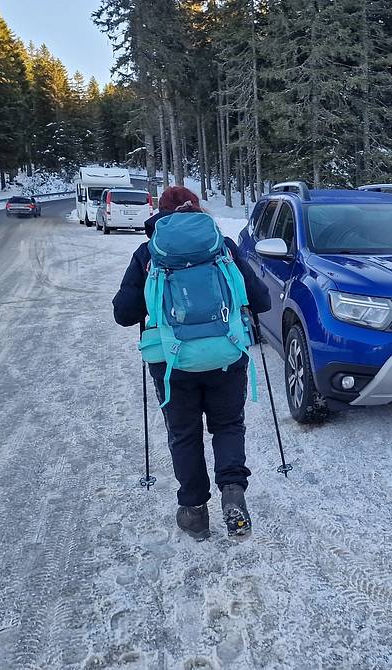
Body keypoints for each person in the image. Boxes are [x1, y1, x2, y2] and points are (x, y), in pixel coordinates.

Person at [112, 186, 271, 541]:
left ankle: (195, 512)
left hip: (172, 363)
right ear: (198, 211)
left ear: (160, 214)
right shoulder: (223, 247)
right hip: (226, 356)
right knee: (228, 426)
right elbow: (260, 300)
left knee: (184, 435)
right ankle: (232, 489)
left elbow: (124, 314)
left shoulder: (148, 253)